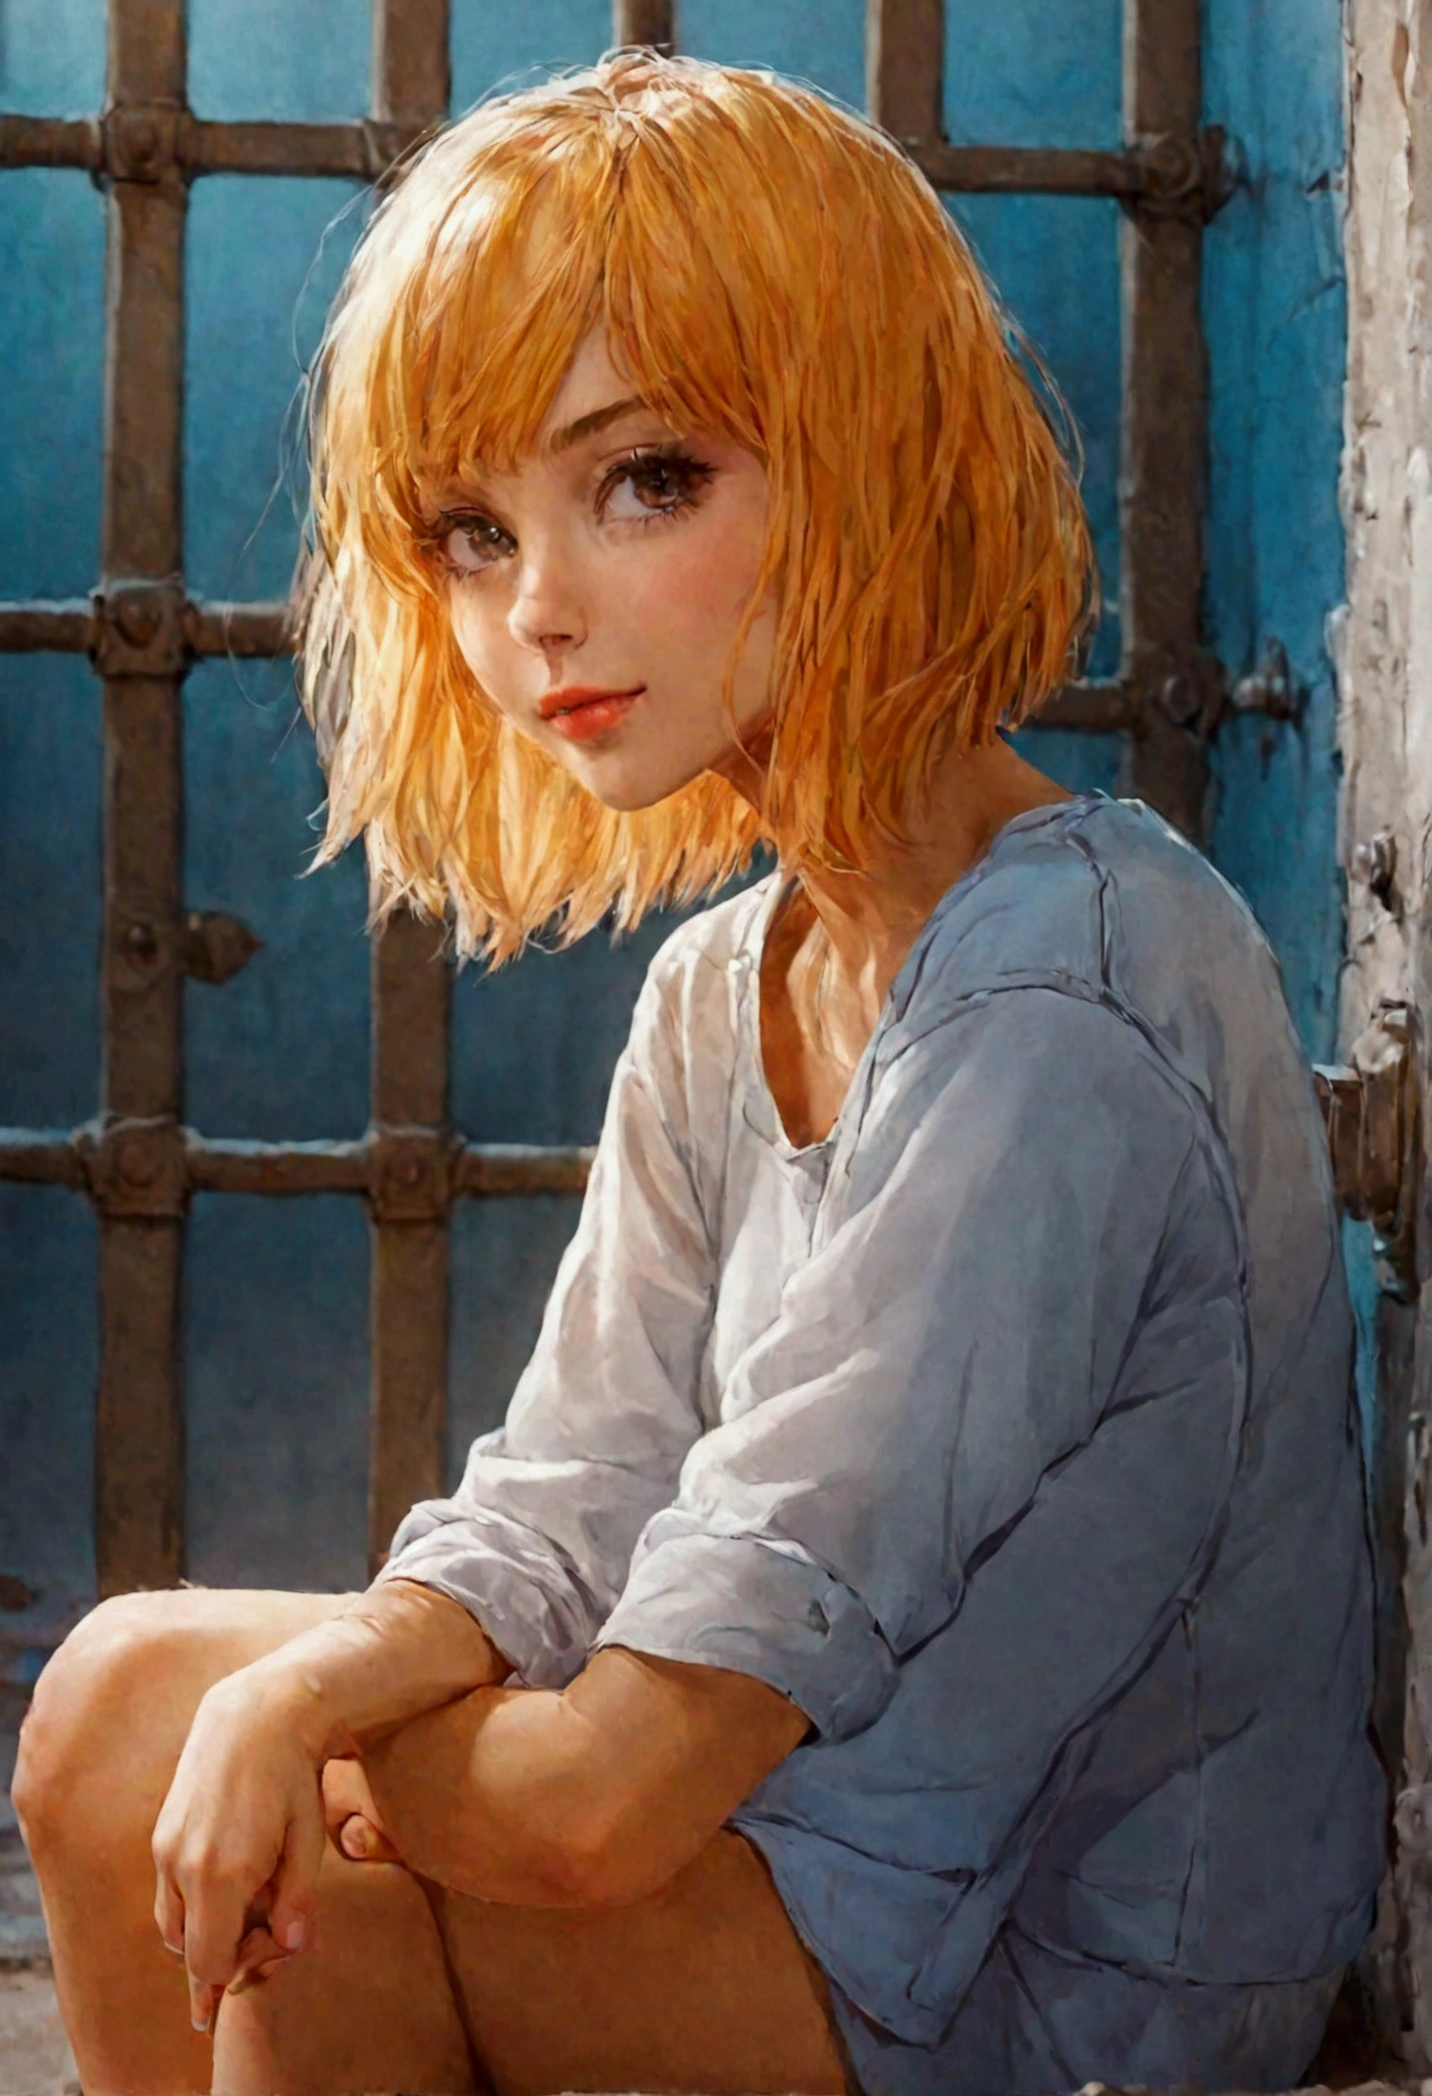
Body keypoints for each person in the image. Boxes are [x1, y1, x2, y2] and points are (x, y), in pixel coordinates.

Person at [15, 48, 1383, 2096]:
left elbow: (596, 1803)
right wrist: (298, 1683)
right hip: (849, 1849)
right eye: (469, 530)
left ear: (869, 452)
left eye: (643, 479)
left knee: (277, 1865)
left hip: (1075, 1969)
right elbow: (574, 1489)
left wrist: (308, 1740)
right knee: (122, 1706)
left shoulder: (1059, 1013)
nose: (536, 609)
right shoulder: (723, 984)